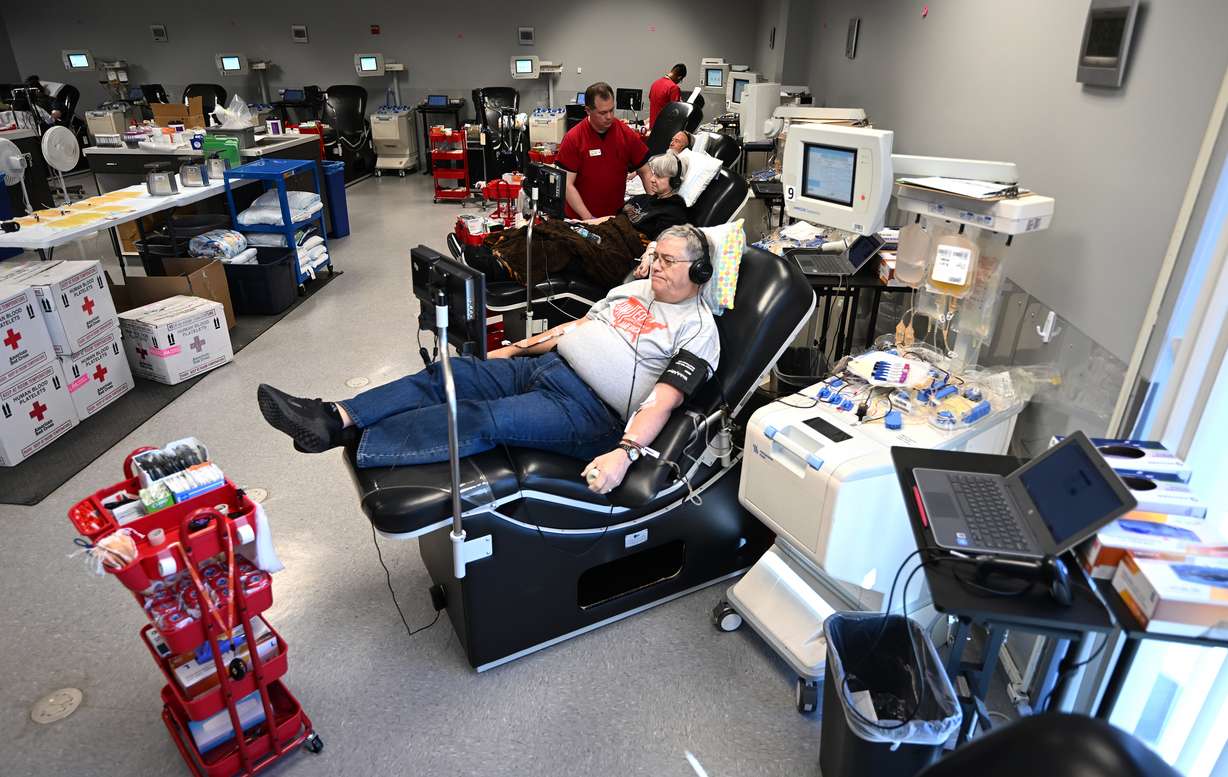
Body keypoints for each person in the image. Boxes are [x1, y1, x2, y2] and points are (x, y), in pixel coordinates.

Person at [256, 226, 719, 495]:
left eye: (669, 261)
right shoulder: (633, 289)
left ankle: (363, 441)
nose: (656, 266)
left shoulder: (699, 331)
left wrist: (623, 453)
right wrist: (502, 355)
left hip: (588, 412)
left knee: (481, 418)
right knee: (452, 373)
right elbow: (573, 329)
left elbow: (661, 402)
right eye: (654, 256)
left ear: (698, 272)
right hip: (546, 366)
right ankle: (334, 416)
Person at [466, 151, 690, 289]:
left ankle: (500, 269)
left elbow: (663, 243)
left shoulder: (675, 211)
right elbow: (614, 218)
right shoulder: (645, 198)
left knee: (565, 246)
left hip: (620, 252)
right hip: (608, 232)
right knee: (556, 227)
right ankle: (496, 248)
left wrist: (649, 257)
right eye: (653, 173)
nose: (652, 179)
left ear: (675, 182)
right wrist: (583, 224)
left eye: (660, 177)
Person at [557, 82, 651, 221]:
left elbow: (645, 171)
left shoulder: (625, 133)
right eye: (603, 112)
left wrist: (654, 206)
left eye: (611, 110)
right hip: (580, 218)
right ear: (588, 111)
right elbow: (566, 185)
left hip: (614, 217)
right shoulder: (574, 138)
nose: (609, 117)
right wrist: (589, 219)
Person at [649, 64, 687, 128]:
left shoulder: (655, 83)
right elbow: (676, 111)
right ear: (679, 77)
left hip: (653, 126)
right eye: (680, 80)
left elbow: (652, 100)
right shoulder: (673, 87)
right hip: (665, 127)